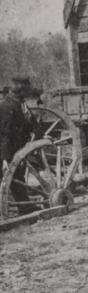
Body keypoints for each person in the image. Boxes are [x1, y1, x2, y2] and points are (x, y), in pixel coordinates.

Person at [0, 77, 36, 214]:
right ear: (19, 90)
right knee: (13, 176)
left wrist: (42, 135)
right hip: (5, 149)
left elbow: (30, 123)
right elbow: (5, 134)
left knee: (17, 177)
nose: (28, 93)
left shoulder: (21, 104)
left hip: (14, 148)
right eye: (26, 90)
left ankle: (25, 207)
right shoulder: (6, 106)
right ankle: (25, 208)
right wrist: (5, 159)